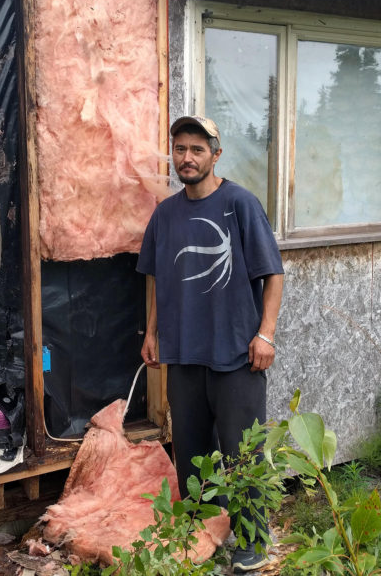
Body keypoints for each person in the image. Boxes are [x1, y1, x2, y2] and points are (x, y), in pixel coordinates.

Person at [137, 115, 284, 572]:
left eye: (197, 149)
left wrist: (266, 334)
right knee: (192, 452)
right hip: (184, 353)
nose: (187, 157)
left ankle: (254, 539)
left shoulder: (239, 204)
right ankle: (203, 530)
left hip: (237, 355)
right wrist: (152, 332)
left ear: (215, 155)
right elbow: (158, 278)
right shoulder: (165, 214)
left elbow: (273, 275)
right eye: (180, 149)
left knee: (243, 454)